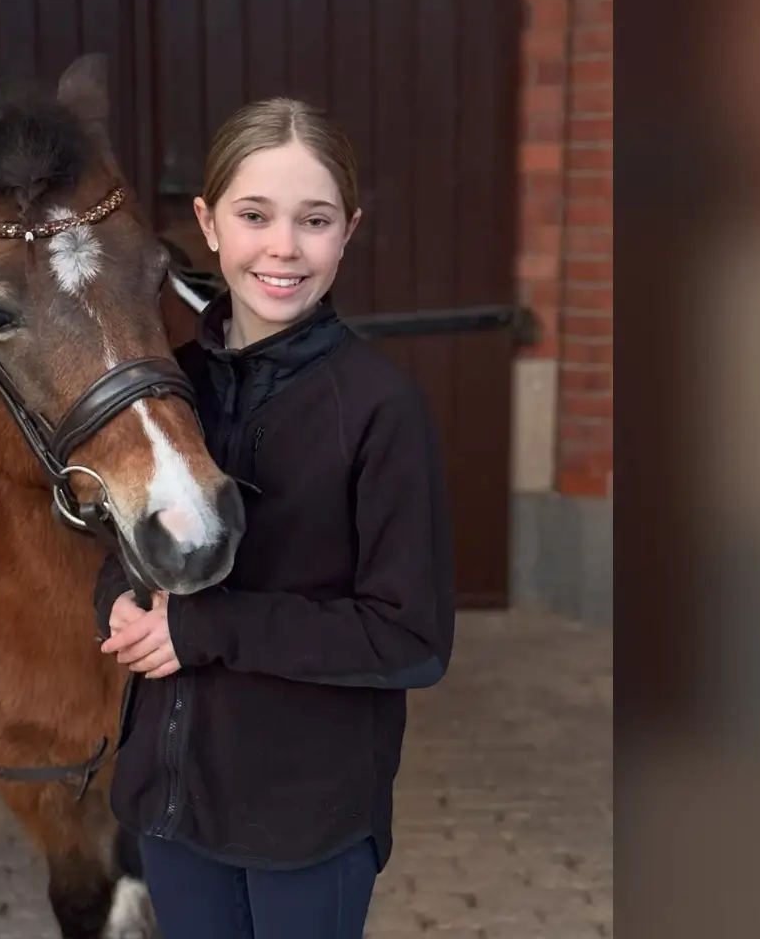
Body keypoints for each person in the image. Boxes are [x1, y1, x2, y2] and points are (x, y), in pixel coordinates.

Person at [93, 97, 456, 939]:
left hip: (308, 821)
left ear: (348, 232)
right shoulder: (164, 389)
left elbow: (411, 638)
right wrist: (114, 597)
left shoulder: (381, 408)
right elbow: (125, 547)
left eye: (314, 219)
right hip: (171, 801)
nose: (283, 247)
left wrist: (207, 628)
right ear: (208, 224)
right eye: (254, 215)